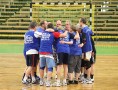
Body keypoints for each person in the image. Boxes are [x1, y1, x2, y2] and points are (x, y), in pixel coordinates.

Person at [39, 23, 68, 87]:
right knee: (50, 68)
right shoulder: (54, 33)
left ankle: (41, 81)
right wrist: (66, 30)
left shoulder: (43, 32)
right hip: (48, 52)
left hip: (41, 52)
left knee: (42, 67)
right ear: (52, 28)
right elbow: (64, 35)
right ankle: (48, 82)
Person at [52, 20, 79, 87]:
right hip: (67, 50)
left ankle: (58, 81)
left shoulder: (58, 32)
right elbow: (77, 37)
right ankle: (64, 81)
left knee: (59, 66)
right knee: (65, 66)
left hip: (60, 50)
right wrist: (77, 32)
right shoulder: (69, 33)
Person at [79, 17, 94, 84]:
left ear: (82, 22)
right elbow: (92, 33)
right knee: (86, 63)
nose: (79, 23)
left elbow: (84, 40)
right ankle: (86, 77)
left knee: (87, 63)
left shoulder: (83, 30)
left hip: (86, 48)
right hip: (89, 48)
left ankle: (88, 78)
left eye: (79, 22)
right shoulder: (88, 28)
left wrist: (82, 44)